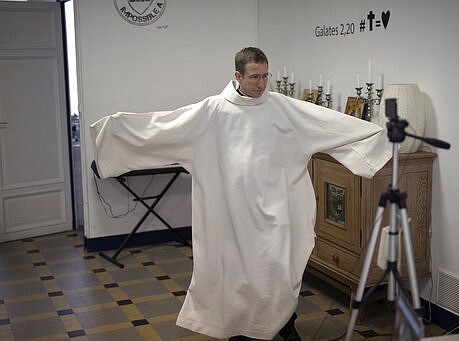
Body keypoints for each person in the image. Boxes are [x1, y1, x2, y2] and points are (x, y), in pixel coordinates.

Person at [90, 47, 392, 340]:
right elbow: (163, 128)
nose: (261, 84)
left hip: (278, 213)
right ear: (238, 76)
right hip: (232, 216)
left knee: (280, 275)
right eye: (254, 77)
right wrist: (115, 129)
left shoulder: (283, 108)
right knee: (237, 279)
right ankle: (240, 330)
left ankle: (285, 327)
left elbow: (330, 125)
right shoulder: (211, 112)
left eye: (265, 76)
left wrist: (378, 137)